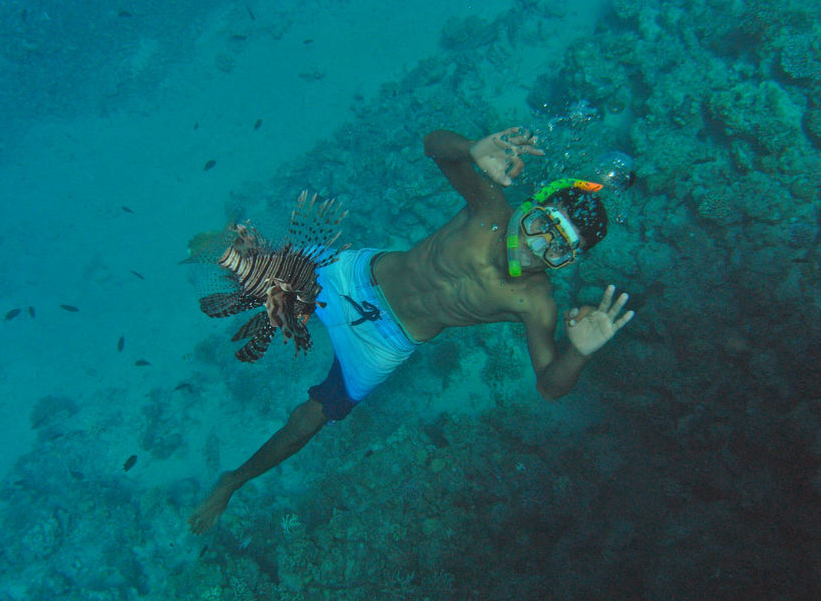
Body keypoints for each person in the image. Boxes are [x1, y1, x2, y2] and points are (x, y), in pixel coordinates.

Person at [188, 126, 634, 534]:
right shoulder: (489, 210)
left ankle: (233, 481)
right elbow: (434, 147)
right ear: (532, 205)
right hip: (355, 278)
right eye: (542, 226)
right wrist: (472, 149)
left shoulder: (537, 304)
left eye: (558, 250)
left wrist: (578, 352)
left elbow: (550, 386)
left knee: (309, 419)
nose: (537, 248)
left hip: (385, 343)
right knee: (248, 267)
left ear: (568, 263)